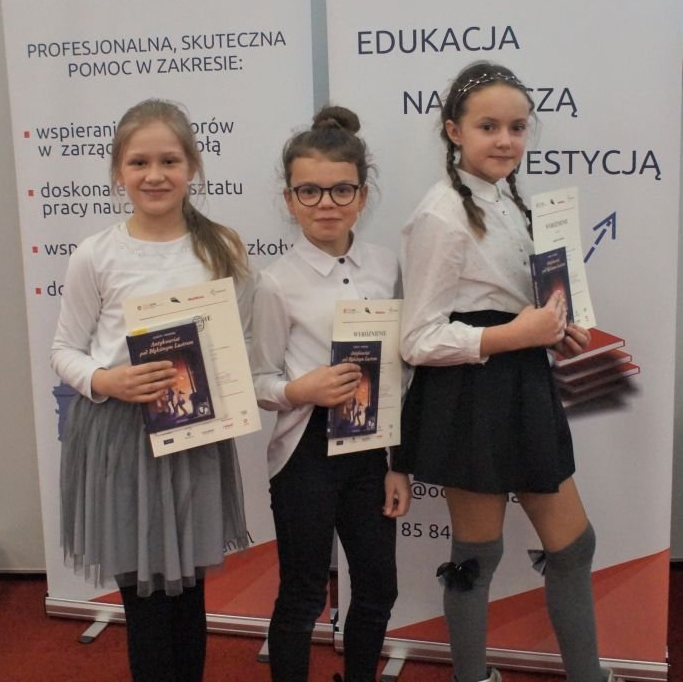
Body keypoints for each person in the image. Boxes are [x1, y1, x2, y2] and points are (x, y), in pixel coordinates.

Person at [395, 62, 615, 682]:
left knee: (574, 544)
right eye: (487, 126)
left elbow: (520, 303)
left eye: (517, 127)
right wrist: (514, 335)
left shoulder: (513, 201)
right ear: (453, 131)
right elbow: (416, 339)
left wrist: (554, 332)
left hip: (523, 384)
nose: (505, 140)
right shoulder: (440, 214)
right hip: (468, 395)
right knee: (476, 554)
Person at [51, 98, 251, 682]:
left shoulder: (222, 247)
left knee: (188, 593)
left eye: (169, 160)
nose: (155, 175)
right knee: (142, 596)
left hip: (193, 434)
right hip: (120, 438)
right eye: (139, 162)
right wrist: (105, 380)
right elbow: (64, 350)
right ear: (119, 171)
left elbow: (236, 345)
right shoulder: (96, 254)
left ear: (193, 167)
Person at [250, 106, 411, 682]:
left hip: (371, 450)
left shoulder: (386, 267)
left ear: (362, 195)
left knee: (379, 587)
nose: (326, 203)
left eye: (342, 189)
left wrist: (398, 463)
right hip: (306, 455)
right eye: (309, 191)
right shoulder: (275, 282)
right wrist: (301, 388)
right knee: (302, 593)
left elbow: (399, 373)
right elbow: (257, 379)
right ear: (289, 199)